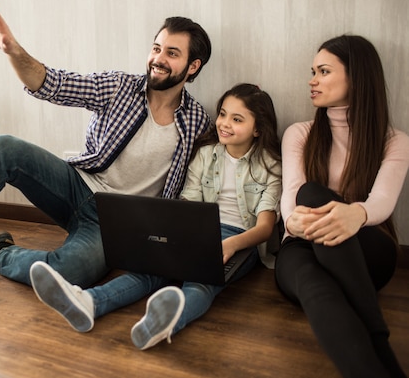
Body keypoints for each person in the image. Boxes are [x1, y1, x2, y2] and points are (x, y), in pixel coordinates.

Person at [0, 2, 213, 298]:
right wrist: (14, 51)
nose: (158, 58)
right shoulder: (119, 87)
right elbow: (52, 83)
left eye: (172, 53)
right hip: (77, 188)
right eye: (156, 48)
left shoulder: (197, 122)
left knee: (69, 273)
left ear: (192, 66)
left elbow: (215, 173)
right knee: (5, 148)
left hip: (118, 225)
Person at [29, 83, 282, 350]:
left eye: (237, 119)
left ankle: (164, 324)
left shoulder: (269, 165)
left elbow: (265, 228)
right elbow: (189, 204)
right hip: (199, 230)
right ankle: (88, 302)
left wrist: (230, 244)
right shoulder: (207, 154)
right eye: (222, 113)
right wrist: (173, 238)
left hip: (240, 239)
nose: (224, 123)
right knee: (148, 270)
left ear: (257, 128)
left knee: (201, 282)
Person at [275, 35, 409, 378]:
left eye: (323, 71)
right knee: (313, 278)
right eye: (312, 71)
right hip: (301, 245)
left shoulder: (396, 142)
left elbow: (382, 201)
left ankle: (376, 342)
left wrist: (355, 213)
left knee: (316, 197)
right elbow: (291, 197)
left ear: (357, 77)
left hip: (366, 250)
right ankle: (380, 358)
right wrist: (293, 224)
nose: (312, 80)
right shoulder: (299, 133)